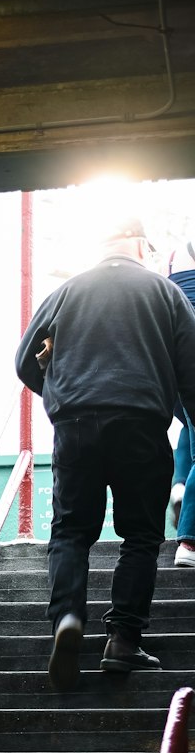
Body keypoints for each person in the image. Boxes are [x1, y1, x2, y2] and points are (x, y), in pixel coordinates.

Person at [15, 218, 195, 690]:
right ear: (140, 245)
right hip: (140, 424)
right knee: (140, 535)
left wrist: (59, 396)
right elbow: (192, 370)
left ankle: (68, 618)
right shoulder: (165, 293)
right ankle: (123, 640)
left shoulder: (64, 293)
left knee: (71, 532)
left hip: (75, 427)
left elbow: (22, 362)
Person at [166, 242, 195, 567]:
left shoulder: (171, 259)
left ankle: (180, 483)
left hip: (172, 363)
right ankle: (189, 541)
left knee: (191, 423)